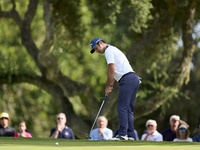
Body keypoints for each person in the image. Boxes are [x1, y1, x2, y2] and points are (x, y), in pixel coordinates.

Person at [90, 38, 140, 140]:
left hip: (127, 79)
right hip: (133, 79)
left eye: (96, 48)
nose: (97, 51)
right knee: (129, 109)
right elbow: (117, 71)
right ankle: (130, 135)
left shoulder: (108, 51)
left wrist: (107, 86)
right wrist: (111, 85)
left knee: (122, 107)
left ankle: (123, 134)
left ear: (100, 43)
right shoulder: (113, 49)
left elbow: (111, 69)